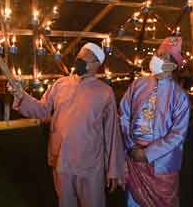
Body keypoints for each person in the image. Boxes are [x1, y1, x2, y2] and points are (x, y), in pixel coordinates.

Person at [11, 42, 124, 206]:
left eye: (87, 58)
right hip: (61, 160)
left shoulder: (105, 92)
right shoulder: (60, 84)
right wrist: (21, 95)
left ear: (96, 65)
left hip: (89, 165)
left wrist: (114, 169)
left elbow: (112, 132)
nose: (81, 60)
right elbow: (42, 110)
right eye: (79, 57)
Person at [119, 36, 191, 207]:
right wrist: (131, 147)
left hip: (162, 165)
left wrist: (148, 153)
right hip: (134, 160)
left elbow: (177, 134)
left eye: (164, 57)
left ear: (172, 65)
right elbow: (123, 115)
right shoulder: (138, 84)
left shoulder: (180, 97)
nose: (157, 59)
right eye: (158, 54)